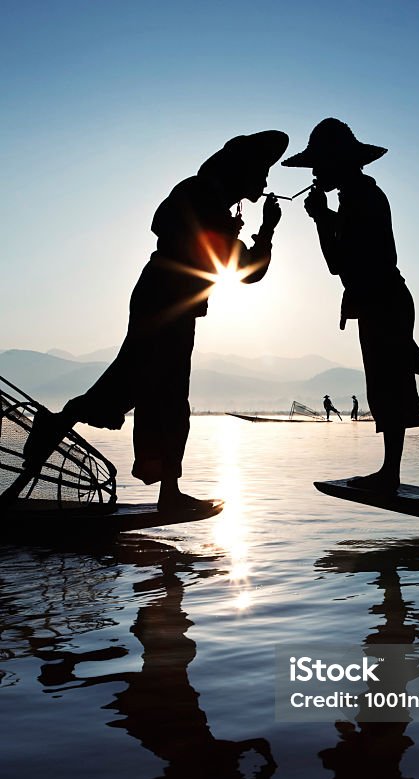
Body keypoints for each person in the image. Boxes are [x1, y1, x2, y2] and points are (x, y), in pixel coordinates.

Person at [23, 130, 289, 511]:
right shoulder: (203, 197)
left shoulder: (206, 198)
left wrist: (251, 232)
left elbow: (228, 261)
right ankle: (167, 493)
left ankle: (67, 428)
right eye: (261, 172)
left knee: (141, 388)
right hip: (167, 300)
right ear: (242, 170)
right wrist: (263, 233)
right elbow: (243, 268)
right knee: (162, 395)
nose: (265, 182)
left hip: (166, 298)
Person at [283, 118, 419, 490]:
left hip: (381, 298)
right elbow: (353, 238)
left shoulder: (359, 198)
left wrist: (319, 219)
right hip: (383, 298)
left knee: (387, 384)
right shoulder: (359, 196)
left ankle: (390, 472)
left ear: (340, 163)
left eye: (320, 164)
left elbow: (339, 262)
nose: (316, 172)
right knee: (394, 369)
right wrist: (327, 216)